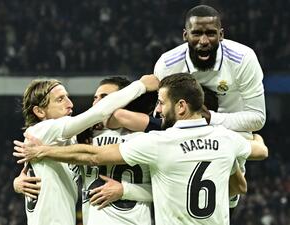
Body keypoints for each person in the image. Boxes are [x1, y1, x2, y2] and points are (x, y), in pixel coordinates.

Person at [14, 73, 268, 225]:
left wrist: (127, 189)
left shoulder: (153, 139)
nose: (97, 104)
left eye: (107, 97)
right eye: (95, 98)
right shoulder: (80, 134)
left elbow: (165, 191)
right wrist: (19, 179)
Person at [153, 4, 266, 211]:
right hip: (185, 140)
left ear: (221, 34)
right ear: (185, 35)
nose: (204, 41)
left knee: (225, 203)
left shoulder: (243, 59)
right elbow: (161, 113)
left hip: (230, 143)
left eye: (211, 34)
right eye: (196, 33)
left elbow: (258, 118)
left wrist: (211, 120)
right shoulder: (168, 65)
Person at [13, 75, 157, 225]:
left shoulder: (143, 138)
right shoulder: (45, 132)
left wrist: (125, 190)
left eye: (106, 98)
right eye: (60, 99)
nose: (70, 104)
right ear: (40, 112)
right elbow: (97, 114)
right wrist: (140, 85)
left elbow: (162, 188)